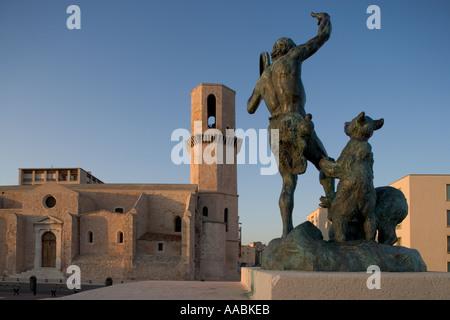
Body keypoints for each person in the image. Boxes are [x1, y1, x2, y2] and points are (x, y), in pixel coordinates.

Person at [247, 12, 335, 237]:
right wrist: (324, 19)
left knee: (288, 182)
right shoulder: (293, 56)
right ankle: (335, 216)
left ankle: (286, 231)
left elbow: (250, 107)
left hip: (274, 128)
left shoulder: (263, 79)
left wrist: (261, 82)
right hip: (295, 119)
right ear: (287, 49)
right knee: (325, 162)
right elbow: (322, 37)